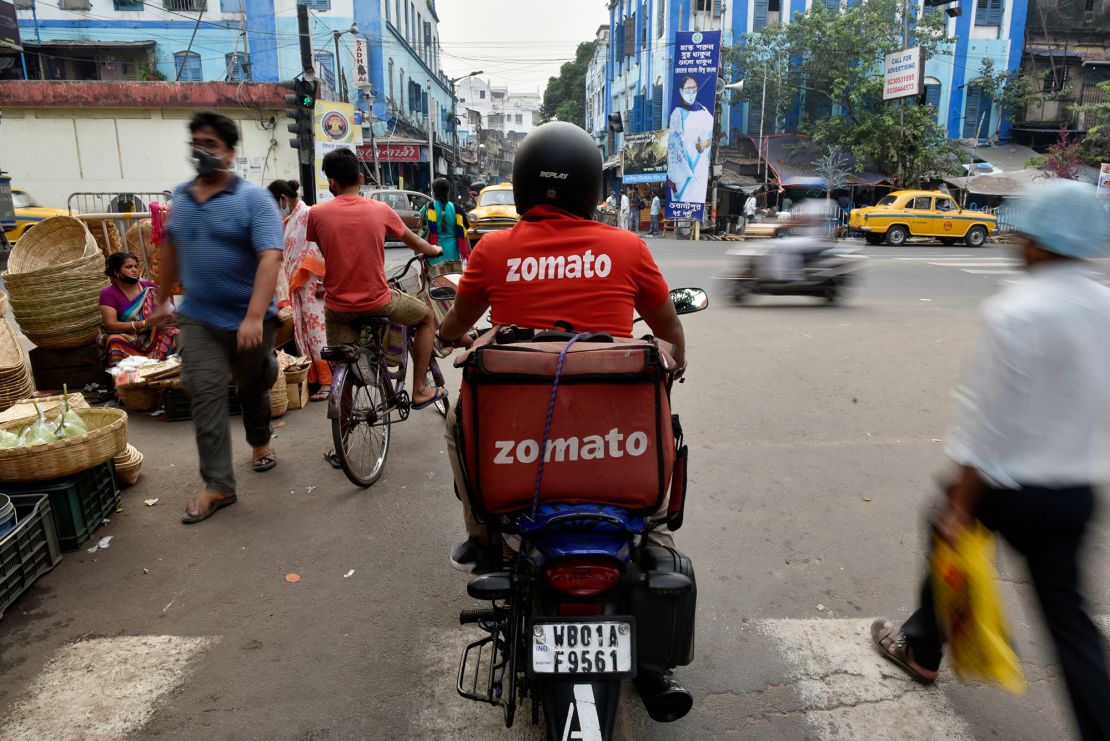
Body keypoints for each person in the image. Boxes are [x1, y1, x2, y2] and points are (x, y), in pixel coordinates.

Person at [870, 180, 1110, 741]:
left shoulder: (1017, 310)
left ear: (1045, 244)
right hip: (1074, 493)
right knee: (1070, 623)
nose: (1016, 244)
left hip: (1007, 489)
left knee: (942, 525)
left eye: (1025, 235)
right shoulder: (1105, 306)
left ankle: (924, 649)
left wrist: (960, 503)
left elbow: (985, 422)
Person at [435, 121, 687, 572]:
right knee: (660, 421)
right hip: (612, 422)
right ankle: (654, 530)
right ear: (590, 186)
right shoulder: (627, 247)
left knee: (457, 422)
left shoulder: (491, 252)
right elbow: (667, 326)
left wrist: (446, 336)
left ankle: (482, 534)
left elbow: (457, 321)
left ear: (523, 184)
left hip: (517, 424)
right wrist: (678, 363)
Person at [155, 111, 284, 524]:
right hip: (199, 319)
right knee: (205, 393)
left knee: (252, 386)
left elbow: (270, 258)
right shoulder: (181, 198)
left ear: (229, 153)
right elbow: (170, 251)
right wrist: (160, 301)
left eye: (210, 144)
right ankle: (218, 486)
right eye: (196, 142)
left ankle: (260, 439)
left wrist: (251, 317)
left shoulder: (254, 200)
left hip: (251, 321)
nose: (201, 150)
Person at [305, 148, 444, 418]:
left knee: (341, 368)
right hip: (378, 301)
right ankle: (419, 390)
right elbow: (418, 244)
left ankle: (341, 443)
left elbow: (326, 252)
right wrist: (434, 251)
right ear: (359, 177)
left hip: (338, 308)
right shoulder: (381, 210)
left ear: (331, 182)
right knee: (426, 317)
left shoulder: (316, 214)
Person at [267, 179, 331, 401]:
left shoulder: (308, 214)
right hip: (299, 286)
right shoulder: (292, 218)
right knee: (303, 333)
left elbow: (318, 247)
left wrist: (323, 281)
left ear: (283, 199)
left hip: (313, 285)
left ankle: (328, 381)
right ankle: (314, 378)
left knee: (316, 334)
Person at [99, 251, 178, 366]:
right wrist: (144, 323)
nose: (135, 270)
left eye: (136, 266)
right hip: (129, 335)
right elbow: (110, 324)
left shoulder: (149, 287)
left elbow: (167, 309)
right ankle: (124, 380)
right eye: (129, 267)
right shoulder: (108, 293)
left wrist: (167, 317)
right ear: (116, 272)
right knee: (114, 341)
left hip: (153, 332)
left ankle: (172, 372)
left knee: (175, 333)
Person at [666, 75, 713, 207]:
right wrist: (676, 172)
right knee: (681, 206)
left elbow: (710, 138)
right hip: (682, 173)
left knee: (696, 205)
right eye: (688, 89)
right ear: (681, 91)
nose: (691, 92)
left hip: (700, 169)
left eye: (694, 88)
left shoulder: (705, 113)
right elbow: (674, 145)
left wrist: (704, 144)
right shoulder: (677, 113)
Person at [420, 177, 471, 269]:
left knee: (435, 282)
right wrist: (469, 252)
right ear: (448, 192)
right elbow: (465, 233)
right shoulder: (456, 208)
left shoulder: (427, 208)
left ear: (434, 193)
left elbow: (421, 228)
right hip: (453, 258)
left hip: (434, 256)